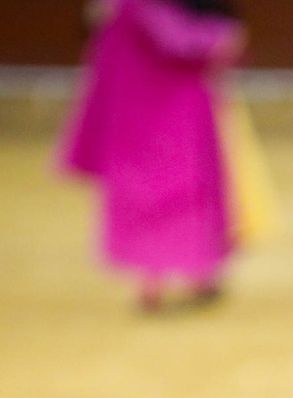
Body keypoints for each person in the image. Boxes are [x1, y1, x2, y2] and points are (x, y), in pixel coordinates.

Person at [60, 0, 246, 311]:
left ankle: (158, 281)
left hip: (131, 117)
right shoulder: (137, 8)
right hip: (177, 114)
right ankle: (192, 276)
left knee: (148, 196)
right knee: (189, 193)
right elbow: (183, 44)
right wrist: (221, 37)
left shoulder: (116, 10)